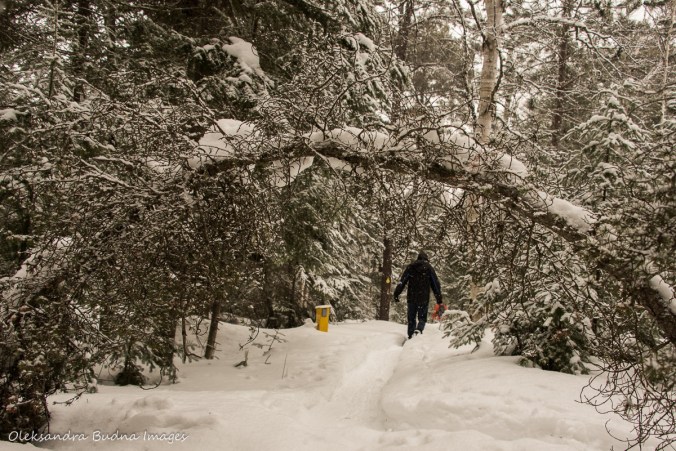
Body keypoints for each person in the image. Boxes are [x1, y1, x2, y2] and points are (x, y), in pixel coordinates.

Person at [393, 251, 442, 339]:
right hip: (423, 297)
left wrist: (397, 293)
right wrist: (439, 298)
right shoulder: (429, 268)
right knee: (422, 318)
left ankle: (411, 335)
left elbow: (402, 281)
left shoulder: (411, 267)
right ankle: (419, 330)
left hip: (411, 297)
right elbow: (435, 284)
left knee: (411, 318)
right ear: (427, 259)